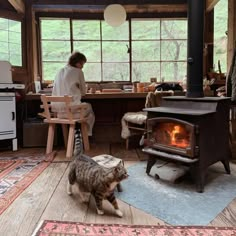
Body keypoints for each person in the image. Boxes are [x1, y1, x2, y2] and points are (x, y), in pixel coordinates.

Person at [51, 51, 95, 136]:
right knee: (90, 109)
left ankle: (75, 137)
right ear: (77, 62)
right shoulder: (78, 71)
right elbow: (83, 93)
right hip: (72, 113)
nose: (82, 66)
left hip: (59, 114)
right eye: (82, 64)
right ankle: (86, 135)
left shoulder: (59, 71)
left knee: (83, 108)